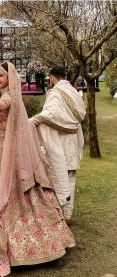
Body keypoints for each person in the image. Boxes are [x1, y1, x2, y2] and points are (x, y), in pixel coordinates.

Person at [0, 62, 75, 277]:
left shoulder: (10, 96)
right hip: (2, 150)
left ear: (10, 78)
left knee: (19, 191)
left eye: (0, 76)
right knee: (5, 189)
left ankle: (37, 245)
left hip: (12, 153)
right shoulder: (10, 94)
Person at [30, 66, 86, 225]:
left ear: (52, 78)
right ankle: (67, 214)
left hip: (59, 141)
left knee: (58, 176)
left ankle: (59, 214)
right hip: (73, 139)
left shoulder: (56, 92)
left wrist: (32, 122)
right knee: (70, 177)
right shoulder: (74, 91)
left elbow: (50, 113)